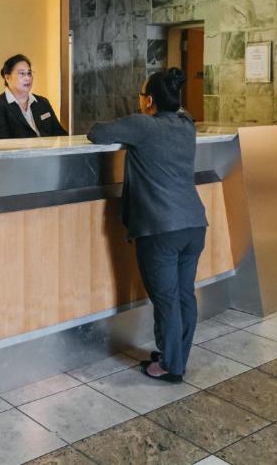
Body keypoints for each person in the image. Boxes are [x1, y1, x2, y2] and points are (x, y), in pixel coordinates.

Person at [86, 67, 207, 382]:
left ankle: (170, 367)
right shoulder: (186, 125)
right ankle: (174, 354)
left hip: (160, 228)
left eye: (141, 95)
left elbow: (96, 132)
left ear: (149, 100)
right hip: (194, 224)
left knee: (166, 299)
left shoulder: (142, 126)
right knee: (183, 295)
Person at [0, 54, 68, 139]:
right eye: (22, 74)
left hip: (47, 152)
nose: (27, 78)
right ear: (7, 77)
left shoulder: (42, 102)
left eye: (29, 73)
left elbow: (60, 134)